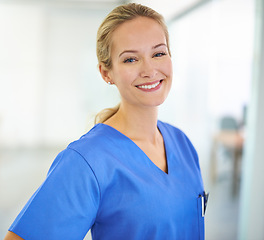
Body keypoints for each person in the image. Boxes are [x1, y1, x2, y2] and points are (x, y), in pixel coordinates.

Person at [4, 3, 207, 240]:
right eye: (131, 59)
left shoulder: (182, 144)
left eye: (158, 53)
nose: (150, 70)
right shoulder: (87, 161)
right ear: (106, 73)